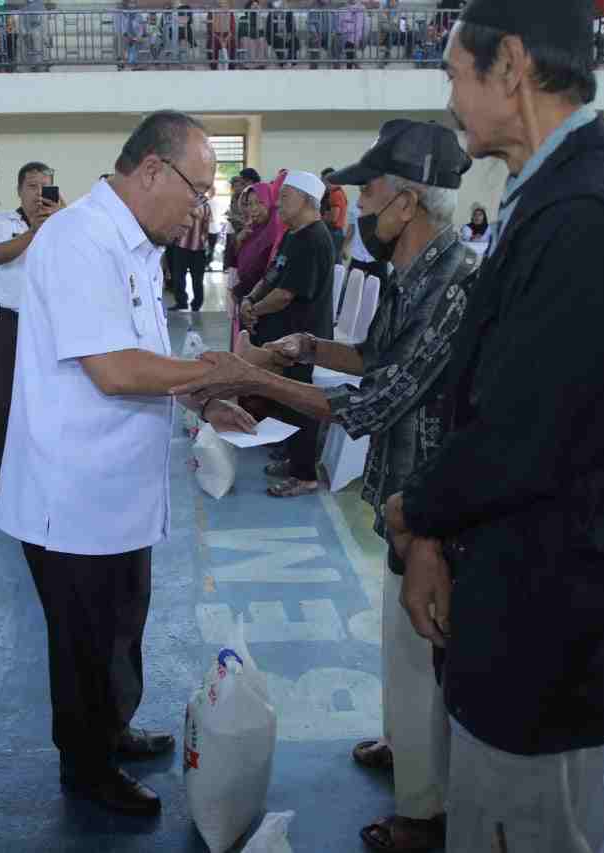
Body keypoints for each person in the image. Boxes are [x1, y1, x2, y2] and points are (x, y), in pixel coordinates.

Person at [384, 3, 604, 850]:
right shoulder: (561, 198)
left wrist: (418, 509)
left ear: (513, 64)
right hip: (529, 591)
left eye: (456, 71)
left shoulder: (592, 221)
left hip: (553, 616)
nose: (449, 95)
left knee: (524, 829)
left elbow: (527, 433)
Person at [175, 120, 477, 853]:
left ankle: (428, 807)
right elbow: (374, 357)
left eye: (368, 193)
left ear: (407, 203)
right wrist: (306, 347)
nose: (360, 209)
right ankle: (408, 746)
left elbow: (377, 399)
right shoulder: (414, 275)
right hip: (404, 491)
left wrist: (250, 373)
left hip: (441, 500)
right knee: (403, 636)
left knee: (434, 640)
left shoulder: (457, 282)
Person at [0, 111, 255, 818]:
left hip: (119, 490)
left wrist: (201, 399)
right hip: (72, 494)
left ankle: (113, 727)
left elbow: (143, 360)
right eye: (198, 190)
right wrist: (210, 372)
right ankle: (87, 767)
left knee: (120, 623)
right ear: (151, 171)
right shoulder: (79, 239)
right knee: (83, 641)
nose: (201, 208)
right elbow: (113, 369)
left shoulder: (134, 244)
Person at [236, 170, 336, 497]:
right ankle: (294, 460)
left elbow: (286, 294)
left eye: (285, 198)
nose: (278, 204)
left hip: (304, 339)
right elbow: (272, 276)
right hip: (284, 336)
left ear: (307, 201)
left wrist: (255, 309)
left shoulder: (315, 238)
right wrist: (250, 299)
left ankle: (305, 474)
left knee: (301, 404)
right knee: (283, 399)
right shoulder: (294, 234)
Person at [0, 161, 62, 488]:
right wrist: (34, 231)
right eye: (31, 186)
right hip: (12, 321)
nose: (38, 193)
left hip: (50, 323)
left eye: (45, 186)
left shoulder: (62, 222)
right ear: (19, 189)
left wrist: (62, 219)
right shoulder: (3, 221)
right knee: (3, 393)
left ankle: (46, 455)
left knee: (51, 392)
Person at [168, 192, 211, 311]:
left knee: (186, 277)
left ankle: (189, 303)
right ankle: (190, 303)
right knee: (186, 277)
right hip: (190, 247)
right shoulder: (204, 204)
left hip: (192, 247)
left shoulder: (197, 204)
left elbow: (199, 217)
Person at [320, 167, 349, 260]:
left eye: (323, 181)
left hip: (333, 232)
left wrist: (318, 218)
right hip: (336, 232)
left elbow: (333, 217)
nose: (322, 183)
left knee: (332, 261)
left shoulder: (335, 194)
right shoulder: (339, 192)